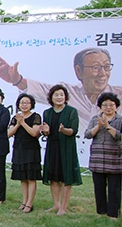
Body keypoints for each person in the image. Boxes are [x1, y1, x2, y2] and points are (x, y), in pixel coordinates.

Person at [0, 48, 122, 127]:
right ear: (78, 71)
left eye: (106, 67)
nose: (103, 73)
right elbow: (40, 89)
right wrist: (17, 80)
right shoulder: (67, 92)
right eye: (96, 67)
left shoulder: (119, 94)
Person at [39, 84, 82, 215]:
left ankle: (64, 207)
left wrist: (63, 130)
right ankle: (56, 204)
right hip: (53, 148)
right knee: (53, 177)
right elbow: (47, 133)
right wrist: (45, 132)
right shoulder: (47, 113)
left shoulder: (71, 111)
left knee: (65, 177)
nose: (59, 97)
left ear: (65, 97)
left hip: (67, 149)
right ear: (51, 97)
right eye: (56, 95)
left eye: (61, 95)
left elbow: (73, 131)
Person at [84, 92, 122, 219]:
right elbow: (88, 134)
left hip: (115, 159)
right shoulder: (95, 119)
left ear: (116, 106)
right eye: (105, 105)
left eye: (111, 105)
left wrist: (108, 127)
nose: (108, 107)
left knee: (114, 189)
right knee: (99, 188)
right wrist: (99, 126)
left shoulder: (120, 120)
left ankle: (113, 213)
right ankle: (101, 212)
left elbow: (119, 136)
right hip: (97, 158)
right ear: (100, 106)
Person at [8, 94, 43, 213]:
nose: (24, 105)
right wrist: (18, 123)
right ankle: (24, 201)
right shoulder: (15, 117)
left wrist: (23, 123)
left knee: (31, 177)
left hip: (31, 150)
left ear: (31, 104)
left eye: (27, 102)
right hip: (19, 149)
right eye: (22, 102)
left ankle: (30, 203)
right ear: (18, 104)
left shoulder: (36, 117)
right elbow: (9, 133)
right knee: (22, 178)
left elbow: (34, 133)